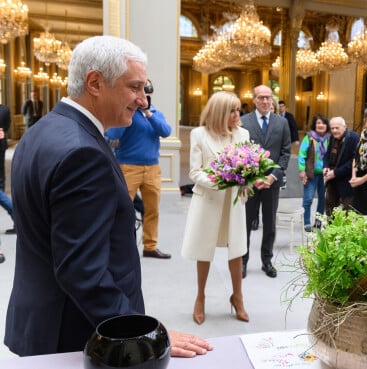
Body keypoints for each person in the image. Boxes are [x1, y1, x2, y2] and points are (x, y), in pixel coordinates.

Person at [4, 35, 212, 358]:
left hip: (39, 324)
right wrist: (142, 334)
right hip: (77, 337)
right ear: (95, 83)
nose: (143, 100)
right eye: (135, 87)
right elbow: (83, 271)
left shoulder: (41, 131)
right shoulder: (82, 153)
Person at [181, 91, 250, 325]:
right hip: (208, 200)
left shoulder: (243, 134)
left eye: (238, 109)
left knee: (237, 248)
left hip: (234, 201)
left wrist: (251, 177)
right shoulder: (199, 134)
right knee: (204, 249)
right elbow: (195, 171)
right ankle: (200, 296)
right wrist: (220, 181)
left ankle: (237, 297)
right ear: (220, 111)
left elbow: (247, 166)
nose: (237, 115)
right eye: (232, 110)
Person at [105, 79, 172, 259]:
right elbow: (112, 134)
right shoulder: (128, 112)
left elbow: (165, 131)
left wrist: (148, 113)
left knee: (152, 209)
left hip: (152, 167)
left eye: (148, 88)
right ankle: (122, 246)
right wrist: (128, 110)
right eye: (140, 88)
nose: (145, 92)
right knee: (124, 209)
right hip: (128, 166)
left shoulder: (156, 113)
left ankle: (150, 246)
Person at [241, 85, 291, 279]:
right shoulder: (244, 122)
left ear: (272, 100)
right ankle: (243, 262)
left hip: (272, 182)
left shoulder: (282, 123)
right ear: (254, 99)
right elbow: (239, 152)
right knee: (245, 224)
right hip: (250, 184)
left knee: (269, 224)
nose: (265, 101)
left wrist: (272, 177)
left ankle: (267, 261)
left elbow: (286, 153)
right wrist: (251, 178)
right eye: (261, 98)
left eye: (268, 98)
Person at [297, 114, 329, 232]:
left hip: (325, 175)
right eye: (318, 123)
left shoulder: (329, 139)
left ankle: (318, 222)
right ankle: (306, 223)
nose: (321, 125)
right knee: (308, 199)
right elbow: (301, 155)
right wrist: (302, 170)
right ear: (314, 125)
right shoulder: (309, 138)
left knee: (323, 199)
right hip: (311, 174)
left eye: (323, 123)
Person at [323, 117, 359, 216]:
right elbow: (327, 155)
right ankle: (331, 231)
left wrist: (335, 173)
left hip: (346, 181)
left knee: (348, 212)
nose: (334, 130)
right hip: (332, 180)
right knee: (329, 210)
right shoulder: (332, 138)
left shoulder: (354, 138)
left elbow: (354, 161)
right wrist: (325, 166)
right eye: (332, 128)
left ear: (344, 127)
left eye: (337, 128)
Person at [0, 103, 10, 192]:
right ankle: (1, 188)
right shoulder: (5, 109)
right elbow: (6, 127)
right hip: (1, 141)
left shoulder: (5, 110)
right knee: (1, 168)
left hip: (1, 143)